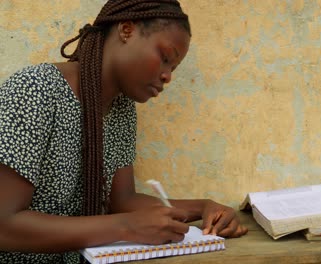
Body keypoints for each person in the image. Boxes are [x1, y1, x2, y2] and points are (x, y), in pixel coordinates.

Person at [0, 0, 248, 263]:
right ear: (126, 30)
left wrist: (204, 208)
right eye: (164, 58)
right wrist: (126, 227)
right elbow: (3, 225)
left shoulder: (121, 109)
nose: (168, 77)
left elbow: (122, 200)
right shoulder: (34, 90)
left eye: (173, 68)